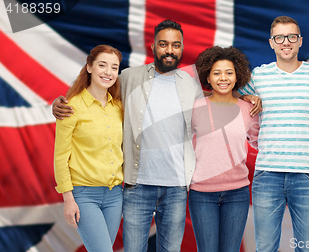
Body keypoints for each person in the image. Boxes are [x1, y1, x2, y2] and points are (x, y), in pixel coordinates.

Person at [52, 20, 261, 252]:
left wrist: (242, 96)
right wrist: (60, 101)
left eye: (175, 45)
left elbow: (218, 93)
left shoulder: (191, 83)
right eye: (163, 44)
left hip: (177, 188)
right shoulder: (129, 77)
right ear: (153, 47)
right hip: (137, 186)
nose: (169, 50)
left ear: (181, 48)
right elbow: (99, 86)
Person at [237, 15, 309, 251]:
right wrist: (247, 96)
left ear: (300, 41)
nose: (286, 42)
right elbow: (230, 95)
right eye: (279, 37)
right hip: (268, 174)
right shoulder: (258, 77)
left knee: (307, 247)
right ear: (271, 42)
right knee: (266, 247)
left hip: (306, 174)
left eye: (292, 36)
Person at [189, 46, 260, 252]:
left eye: (229, 73)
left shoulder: (248, 109)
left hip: (237, 193)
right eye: (217, 73)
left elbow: (259, 143)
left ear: (237, 77)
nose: (223, 78)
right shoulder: (194, 108)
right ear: (208, 78)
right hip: (201, 193)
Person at [53, 44, 124, 252]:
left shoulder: (118, 107)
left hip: (114, 196)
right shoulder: (70, 107)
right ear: (90, 67)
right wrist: (68, 199)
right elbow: (60, 157)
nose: (108, 72)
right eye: (102, 65)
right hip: (84, 195)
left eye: (114, 67)